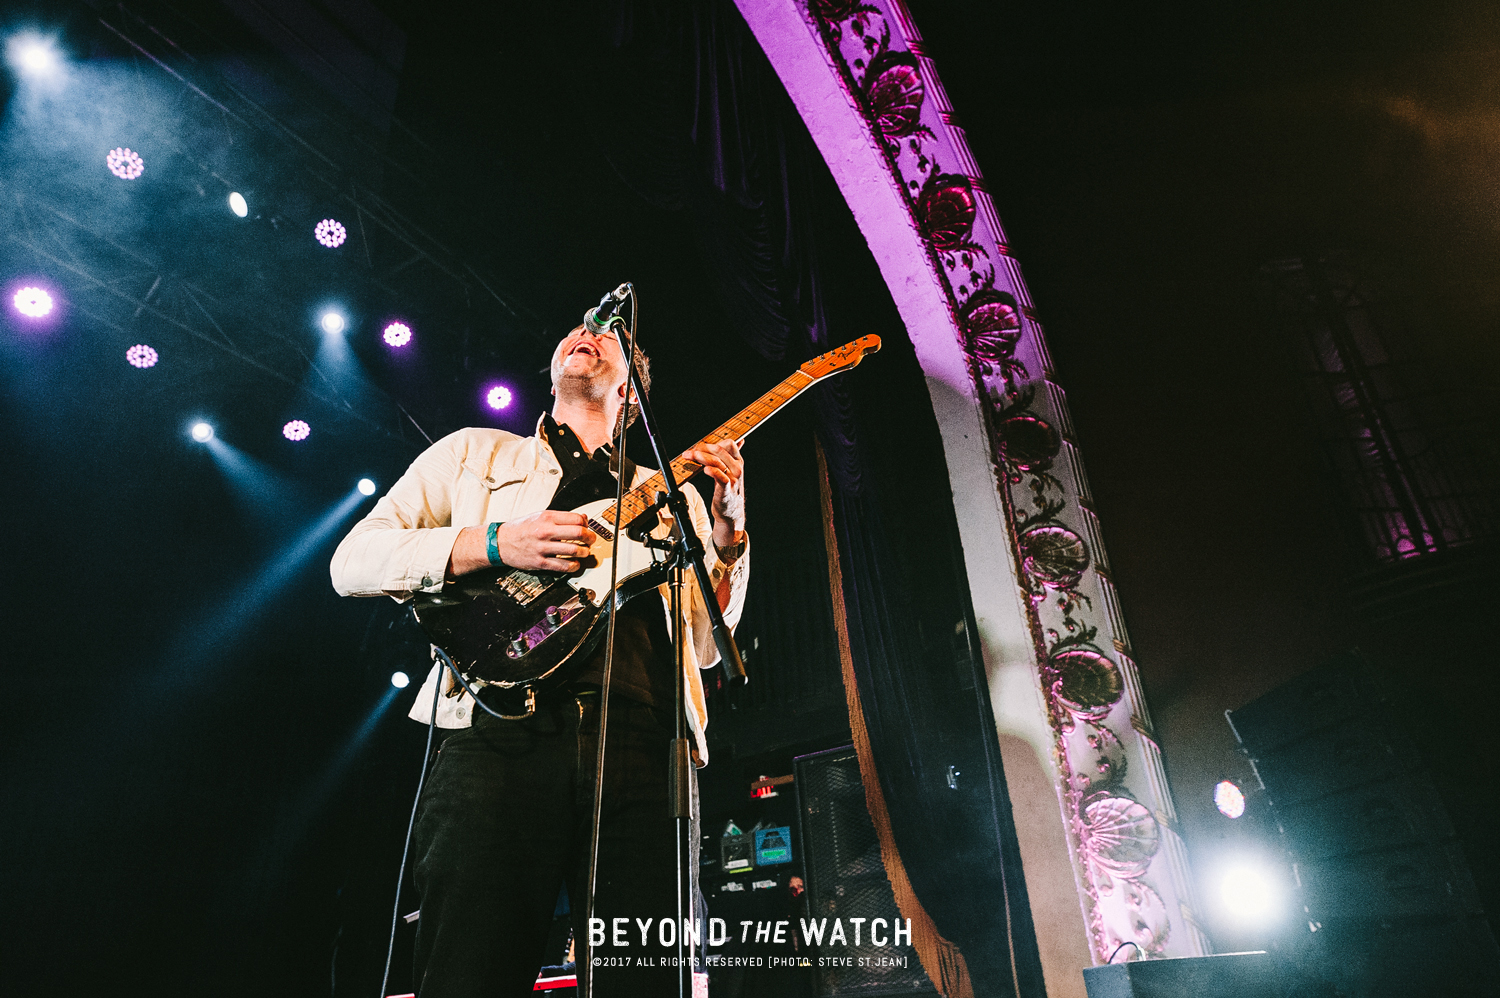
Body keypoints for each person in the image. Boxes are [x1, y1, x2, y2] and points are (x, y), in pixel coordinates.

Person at [330, 319, 749, 996]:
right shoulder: (473, 455)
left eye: (610, 334)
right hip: (498, 734)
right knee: (470, 967)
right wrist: (495, 543)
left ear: (632, 393)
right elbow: (352, 561)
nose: (590, 330)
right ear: (553, 370)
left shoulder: (673, 496)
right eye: (579, 329)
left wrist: (728, 534)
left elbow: (709, 642)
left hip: (646, 745)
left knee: (644, 976)